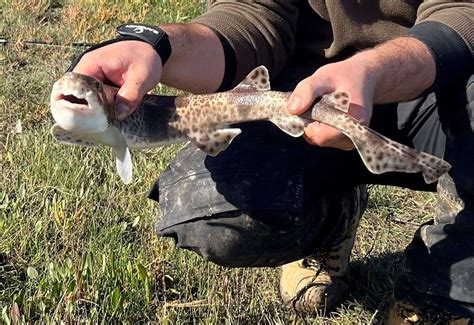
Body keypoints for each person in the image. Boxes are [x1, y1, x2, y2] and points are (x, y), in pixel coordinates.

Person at [71, 1, 473, 323]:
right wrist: (158, 44)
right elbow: (252, 12)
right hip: (305, 93)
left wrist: (372, 69)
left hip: (440, 80)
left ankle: (444, 287)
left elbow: (464, 12)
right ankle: (335, 213)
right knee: (207, 207)